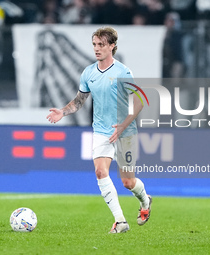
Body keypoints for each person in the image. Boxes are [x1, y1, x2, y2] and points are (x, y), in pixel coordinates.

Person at [46, 26, 151, 234]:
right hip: (102, 131)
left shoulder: (123, 72)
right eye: (94, 44)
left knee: (128, 182)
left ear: (112, 46)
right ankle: (120, 221)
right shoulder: (89, 72)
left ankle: (145, 201)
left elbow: (140, 101)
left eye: (101, 45)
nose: (97, 49)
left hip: (125, 132)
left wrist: (123, 125)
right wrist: (63, 112)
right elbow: (79, 101)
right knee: (100, 171)